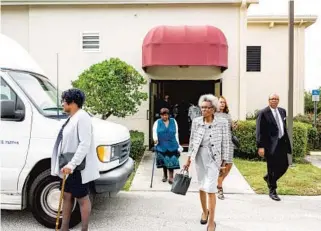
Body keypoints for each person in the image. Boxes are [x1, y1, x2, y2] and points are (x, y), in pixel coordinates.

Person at [51, 88, 100, 231]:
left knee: (82, 198)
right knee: (66, 195)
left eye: (64, 101)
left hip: (77, 167)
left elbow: (84, 143)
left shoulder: (82, 117)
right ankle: (64, 228)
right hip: (68, 165)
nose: (62, 104)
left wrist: (72, 164)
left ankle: (84, 229)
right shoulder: (72, 118)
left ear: (72, 102)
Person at [184, 94, 229, 231]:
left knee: (211, 189)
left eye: (206, 108)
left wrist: (224, 162)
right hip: (199, 157)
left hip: (214, 158)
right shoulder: (196, 121)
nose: (203, 110)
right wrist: (188, 160)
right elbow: (192, 142)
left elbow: (226, 143)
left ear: (213, 109)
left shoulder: (222, 123)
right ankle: (204, 211)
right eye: (202, 107)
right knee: (202, 186)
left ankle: (211, 221)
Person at [256, 93, 292, 201]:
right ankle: (272, 191)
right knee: (271, 167)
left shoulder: (282, 111)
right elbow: (259, 131)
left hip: (282, 143)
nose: (274, 101)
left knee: (285, 165)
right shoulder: (263, 113)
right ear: (269, 100)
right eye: (272, 99)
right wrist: (260, 146)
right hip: (269, 145)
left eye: (276, 99)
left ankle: (269, 178)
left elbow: (282, 127)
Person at [216, 96, 237, 200]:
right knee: (222, 167)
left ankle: (217, 182)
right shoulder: (214, 115)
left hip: (229, 143)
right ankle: (220, 189)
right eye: (220, 102)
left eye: (224, 102)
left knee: (229, 165)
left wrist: (234, 126)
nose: (222, 104)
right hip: (219, 143)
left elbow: (231, 127)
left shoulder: (228, 115)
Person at [153, 108, 182, 184]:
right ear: (160, 115)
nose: (164, 117)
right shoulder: (157, 122)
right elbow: (154, 132)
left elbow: (176, 133)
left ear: (168, 115)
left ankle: (171, 177)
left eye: (166, 115)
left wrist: (178, 145)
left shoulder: (173, 121)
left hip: (172, 144)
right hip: (161, 144)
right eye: (162, 115)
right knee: (164, 161)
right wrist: (155, 139)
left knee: (171, 160)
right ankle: (165, 175)